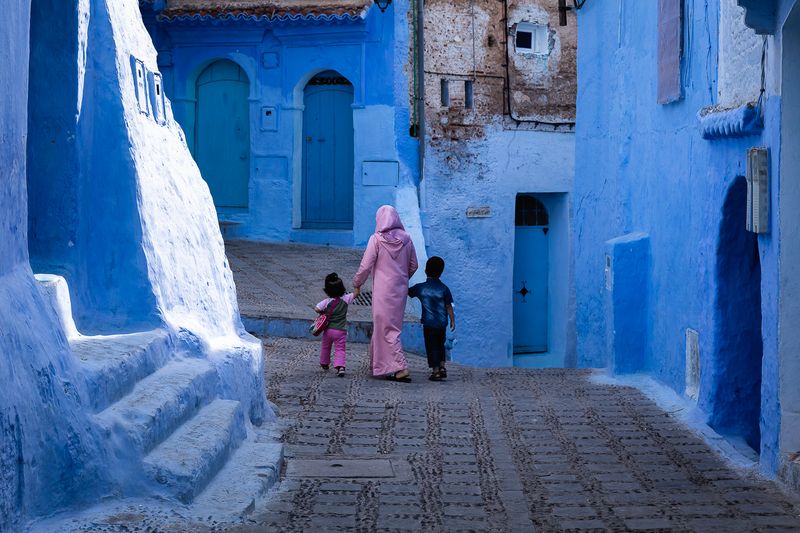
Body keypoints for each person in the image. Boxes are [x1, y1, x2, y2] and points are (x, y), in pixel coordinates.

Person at [353, 205, 418, 382]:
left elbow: (365, 266)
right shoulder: (407, 239)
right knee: (388, 326)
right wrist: (401, 278)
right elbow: (414, 265)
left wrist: (357, 283)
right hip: (399, 290)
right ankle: (379, 364)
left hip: (382, 291)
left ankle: (400, 366)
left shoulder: (376, 239)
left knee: (388, 328)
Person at [408, 256, 455, 381]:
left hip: (429, 324)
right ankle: (442, 366)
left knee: (431, 346)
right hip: (442, 323)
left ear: (425, 270)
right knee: (440, 344)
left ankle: (435, 371)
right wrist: (452, 320)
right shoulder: (444, 288)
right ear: (441, 272)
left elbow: (408, 292)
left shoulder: (421, 288)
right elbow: (448, 306)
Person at [315, 273, 356, 377]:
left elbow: (317, 308)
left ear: (327, 290)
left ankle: (324, 363)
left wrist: (323, 313)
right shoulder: (346, 299)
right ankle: (340, 367)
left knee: (326, 346)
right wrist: (357, 285)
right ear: (342, 288)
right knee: (340, 349)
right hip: (340, 330)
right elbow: (356, 293)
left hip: (328, 330)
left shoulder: (326, 301)